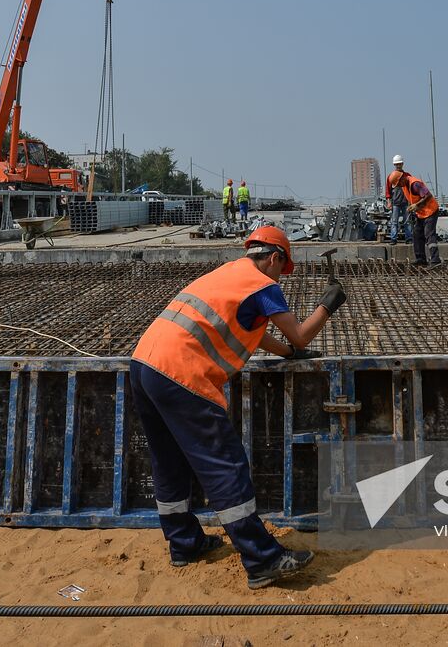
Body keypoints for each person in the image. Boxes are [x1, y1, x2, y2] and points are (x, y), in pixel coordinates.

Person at [129, 226, 346, 589]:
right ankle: (263, 559)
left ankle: (184, 544)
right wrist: (328, 304)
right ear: (275, 257)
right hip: (182, 373)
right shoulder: (263, 286)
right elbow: (301, 333)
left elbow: (258, 333)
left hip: (144, 365)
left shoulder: (227, 275)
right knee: (224, 465)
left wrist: (290, 354)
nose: (280, 275)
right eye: (282, 267)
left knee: (168, 461)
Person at [397, 165, 440, 266]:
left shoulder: (415, 184)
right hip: (421, 213)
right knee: (417, 234)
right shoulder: (404, 186)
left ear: (403, 177)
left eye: (399, 183)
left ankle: (435, 260)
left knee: (429, 234)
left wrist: (417, 205)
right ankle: (421, 259)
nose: (398, 185)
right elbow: (412, 198)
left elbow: (428, 195)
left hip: (430, 211)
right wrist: (411, 207)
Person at [384, 155, 412, 245]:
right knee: (394, 222)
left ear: (402, 164)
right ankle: (393, 239)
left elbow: (411, 189)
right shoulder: (391, 177)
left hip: (406, 202)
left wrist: (412, 202)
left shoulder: (407, 176)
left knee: (407, 221)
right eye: (396, 164)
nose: (398, 166)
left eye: (399, 164)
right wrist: (389, 202)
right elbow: (388, 191)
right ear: (394, 165)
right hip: (395, 202)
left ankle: (409, 238)